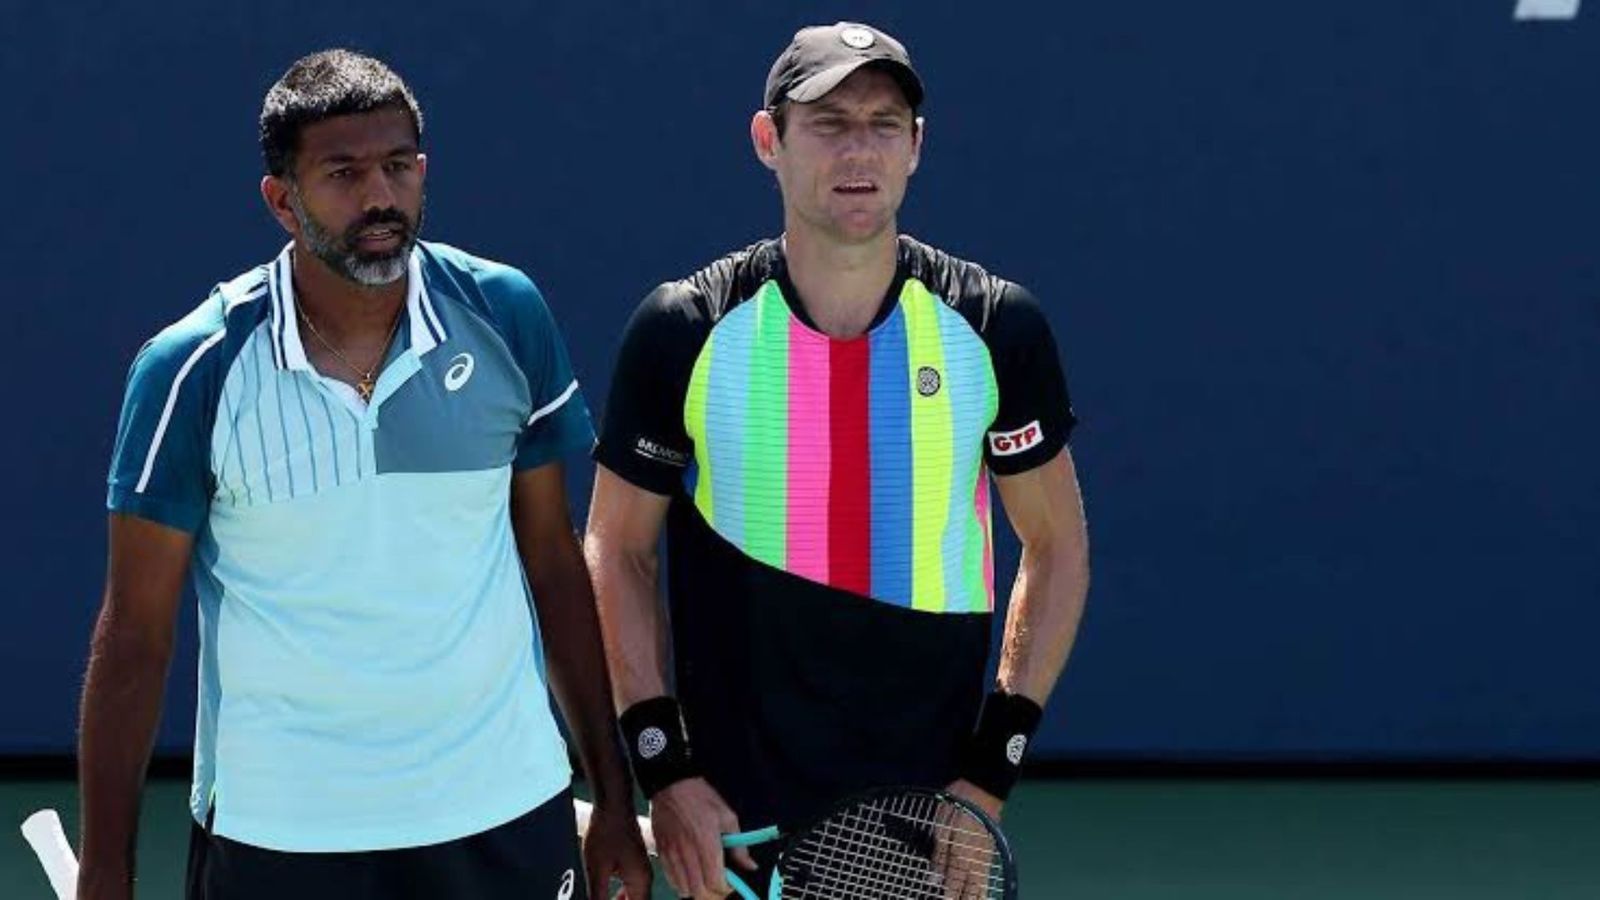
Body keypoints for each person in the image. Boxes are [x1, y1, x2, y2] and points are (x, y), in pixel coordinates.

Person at [78, 49, 650, 900]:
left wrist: (609, 794)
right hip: (283, 832)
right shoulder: (191, 369)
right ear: (282, 200)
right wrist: (106, 873)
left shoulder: (505, 315)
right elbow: (135, 636)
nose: (379, 197)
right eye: (343, 173)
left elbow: (554, 563)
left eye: (396, 167)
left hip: (504, 812)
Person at [586, 21, 1091, 899]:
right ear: (767, 141)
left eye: (883, 123)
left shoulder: (998, 329)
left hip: (926, 828)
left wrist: (986, 779)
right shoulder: (684, 330)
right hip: (736, 827)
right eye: (828, 122)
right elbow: (617, 549)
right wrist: (665, 773)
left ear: (917, 147)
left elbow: (1057, 547)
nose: (859, 149)